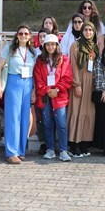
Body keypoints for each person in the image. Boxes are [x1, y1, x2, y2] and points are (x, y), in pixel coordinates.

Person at [0, 24, 37, 165]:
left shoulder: (32, 52)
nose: (23, 36)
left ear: (30, 36)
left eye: (26, 33)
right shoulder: (10, 49)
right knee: (13, 117)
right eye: (20, 33)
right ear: (17, 35)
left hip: (28, 83)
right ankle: (11, 152)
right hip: (14, 82)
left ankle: (20, 150)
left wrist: (34, 91)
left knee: (25, 118)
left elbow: (35, 73)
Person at [33, 34, 74, 162]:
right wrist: (47, 90)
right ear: (44, 46)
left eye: (53, 44)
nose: (51, 47)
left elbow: (67, 78)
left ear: (57, 46)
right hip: (45, 97)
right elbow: (38, 80)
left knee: (61, 123)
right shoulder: (40, 61)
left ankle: (63, 150)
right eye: (48, 44)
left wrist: (56, 90)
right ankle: (50, 149)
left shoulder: (64, 59)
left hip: (59, 96)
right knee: (47, 123)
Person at [67, 21, 99, 157]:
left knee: (89, 113)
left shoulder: (95, 47)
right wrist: (77, 84)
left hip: (91, 84)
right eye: (86, 30)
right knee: (77, 112)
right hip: (79, 83)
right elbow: (73, 66)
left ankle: (85, 144)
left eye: (90, 30)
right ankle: (74, 145)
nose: (88, 33)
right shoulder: (75, 45)